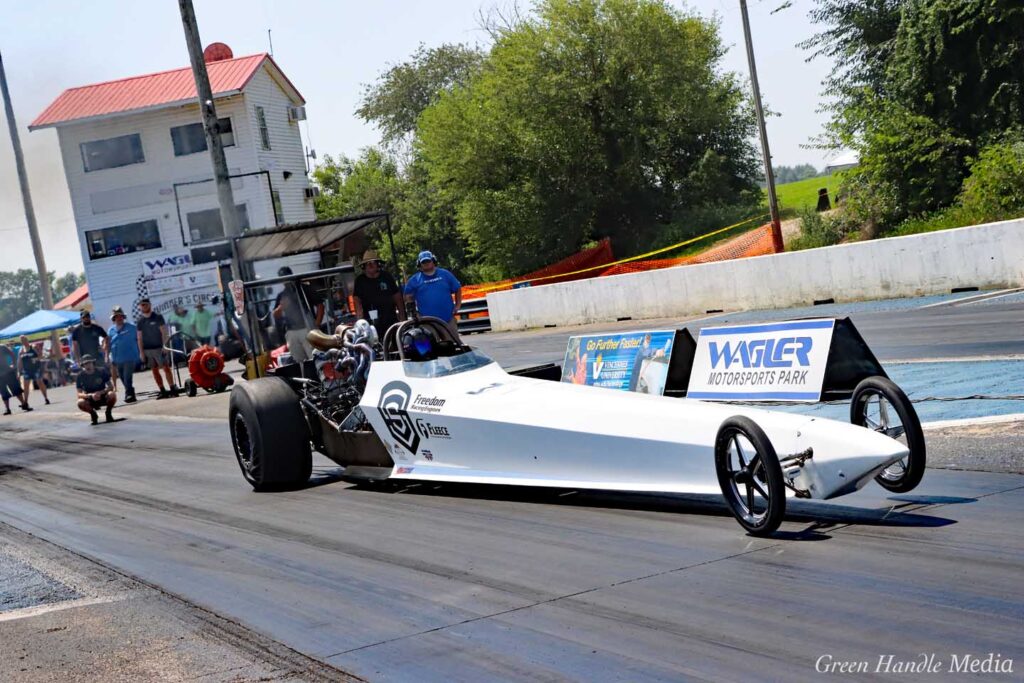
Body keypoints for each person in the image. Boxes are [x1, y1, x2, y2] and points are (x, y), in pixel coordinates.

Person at [404, 250, 462, 337]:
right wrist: (415, 313)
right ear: (419, 264)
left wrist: (458, 305)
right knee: (432, 347)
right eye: (423, 262)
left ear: (433, 261)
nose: (426, 263)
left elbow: (457, 288)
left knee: (453, 345)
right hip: (427, 322)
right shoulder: (414, 280)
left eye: (428, 261)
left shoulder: (445, 274)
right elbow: (407, 296)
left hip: (447, 319)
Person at [272, 266, 324, 364]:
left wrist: (316, 324)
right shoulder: (282, 295)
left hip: (307, 329)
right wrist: (281, 307)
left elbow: (320, 305)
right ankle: (305, 378)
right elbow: (275, 315)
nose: (285, 280)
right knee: (298, 361)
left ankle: (319, 378)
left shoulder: (304, 289)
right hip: (291, 332)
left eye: (286, 277)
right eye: (282, 278)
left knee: (314, 357)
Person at [353, 249, 406, 338]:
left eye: (373, 262)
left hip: (391, 320)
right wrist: (360, 323)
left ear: (378, 264)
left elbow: (398, 297)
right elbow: (357, 302)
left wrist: (402, 318)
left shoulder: (387, 276)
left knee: (395, 344)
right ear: (364, 266)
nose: (370, 265)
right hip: (371, 323)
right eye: (367, 263)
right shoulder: (360, 281)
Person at [135, 298, 179, 399]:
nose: (144, 306)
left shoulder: (157, 317)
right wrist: (141, 352)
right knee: (154, 370)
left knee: (166, 368)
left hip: (159, 348)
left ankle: (172, 389)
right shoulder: (140, 321)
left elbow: (164, 332)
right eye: (142, 305)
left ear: (149, 305)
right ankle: (162, 390)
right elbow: (139, 337)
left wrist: (165, 345)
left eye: (145, 304)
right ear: (140, 307)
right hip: (147, 350)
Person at [108, 306, 139, 403]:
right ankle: (131, 392)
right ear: (114, 318)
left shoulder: (132, 328)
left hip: (130, 357)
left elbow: (139, 339)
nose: (119, 318)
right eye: (116, 316)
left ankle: (128, 394)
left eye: (120, 316)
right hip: (117, 358)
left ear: (123, 317)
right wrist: (110, 357)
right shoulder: (111, 330)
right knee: (121, 377)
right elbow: (109, 344)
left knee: (127, 377)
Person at [75, 354, 116, 424]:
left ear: (92, 363)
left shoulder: (101, 371)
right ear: (83, 365)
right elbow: (79, 394)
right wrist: (90, 395)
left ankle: (108, 412)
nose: (88, 365)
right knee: (80, 402)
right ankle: (93, 414)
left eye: (89, 363)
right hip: (90, 398)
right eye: (85, 364)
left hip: (102, 395)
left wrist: (100, 392)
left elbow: (110, 386)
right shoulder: (80, 376)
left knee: (112, 394)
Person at [17, 335, 49, 405]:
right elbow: (20, 361)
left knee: (39, 382)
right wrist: (19, 371)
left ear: (27, 340)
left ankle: (46, 398)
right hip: (26, 370)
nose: (24, 342)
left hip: (36, 368)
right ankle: (25, 402)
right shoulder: (21, 349)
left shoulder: (33, 347)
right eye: (22, 340)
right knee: (26, 386)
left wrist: (36, 359)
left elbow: (42, 356)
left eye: (24, 340)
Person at [0, 343, 32, 415]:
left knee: (16, 389)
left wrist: (14, 365)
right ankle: (7, 409)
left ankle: (24, 404)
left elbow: (12, 354)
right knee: (3, 392)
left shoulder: (2, 347)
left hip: (8, 371)